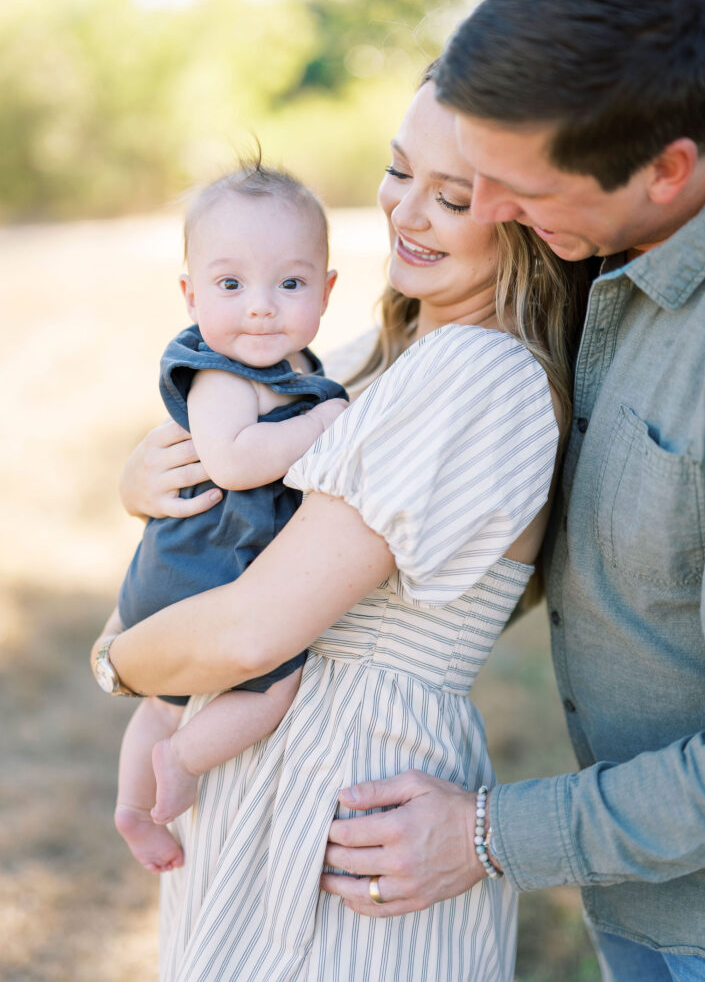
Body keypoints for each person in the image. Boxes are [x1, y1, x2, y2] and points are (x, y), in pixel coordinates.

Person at [91, 67, 589, 981]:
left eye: (451, 195)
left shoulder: (477, 371)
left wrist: (118, 660)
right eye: (398, 172)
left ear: (530, 215)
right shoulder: (371, 355)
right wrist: (143, 478)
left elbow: (250, 630)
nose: (407, 212)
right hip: (271, 772)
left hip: (348, 791)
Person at [322, 0, 705, 981]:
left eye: (518, 190)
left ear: (667, 169)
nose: (484, 214)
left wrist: (488, 833)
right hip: (638, 900)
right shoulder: (590, 250)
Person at [96, 161, 348, 876]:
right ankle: (181, 760)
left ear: (328, 291)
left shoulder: (287, 364)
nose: (260, 307)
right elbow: (236, 462)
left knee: (161, 703)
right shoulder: (219, 373)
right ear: (190, 293)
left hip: (190, 572)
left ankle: (132, 807)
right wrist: (324, 422)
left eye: (290, 283)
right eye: (230, 285)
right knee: (272, 685)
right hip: (201, 571)